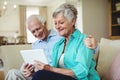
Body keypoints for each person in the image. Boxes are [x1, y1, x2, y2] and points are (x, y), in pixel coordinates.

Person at [6, 14, 98, 80]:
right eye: (33, 32)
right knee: (12, 73)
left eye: (38, 29)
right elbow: (31, 62)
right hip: (38, 72)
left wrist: (95, 45)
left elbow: (82, 45)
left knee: (40, 75)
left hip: (55, 72)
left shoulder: (60, 36)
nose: (37, 33)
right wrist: (26, 70)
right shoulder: (35, 45)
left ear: (44, 24)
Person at [31, 3, 100, 80]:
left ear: (73, 21)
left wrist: (50, 69)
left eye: (61, 23)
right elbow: (54, 72)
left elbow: (82, 71)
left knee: (40, 74)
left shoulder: (85, 40)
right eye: (55, 23)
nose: (57, 27)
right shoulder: (58, 45)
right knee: (39, 74)